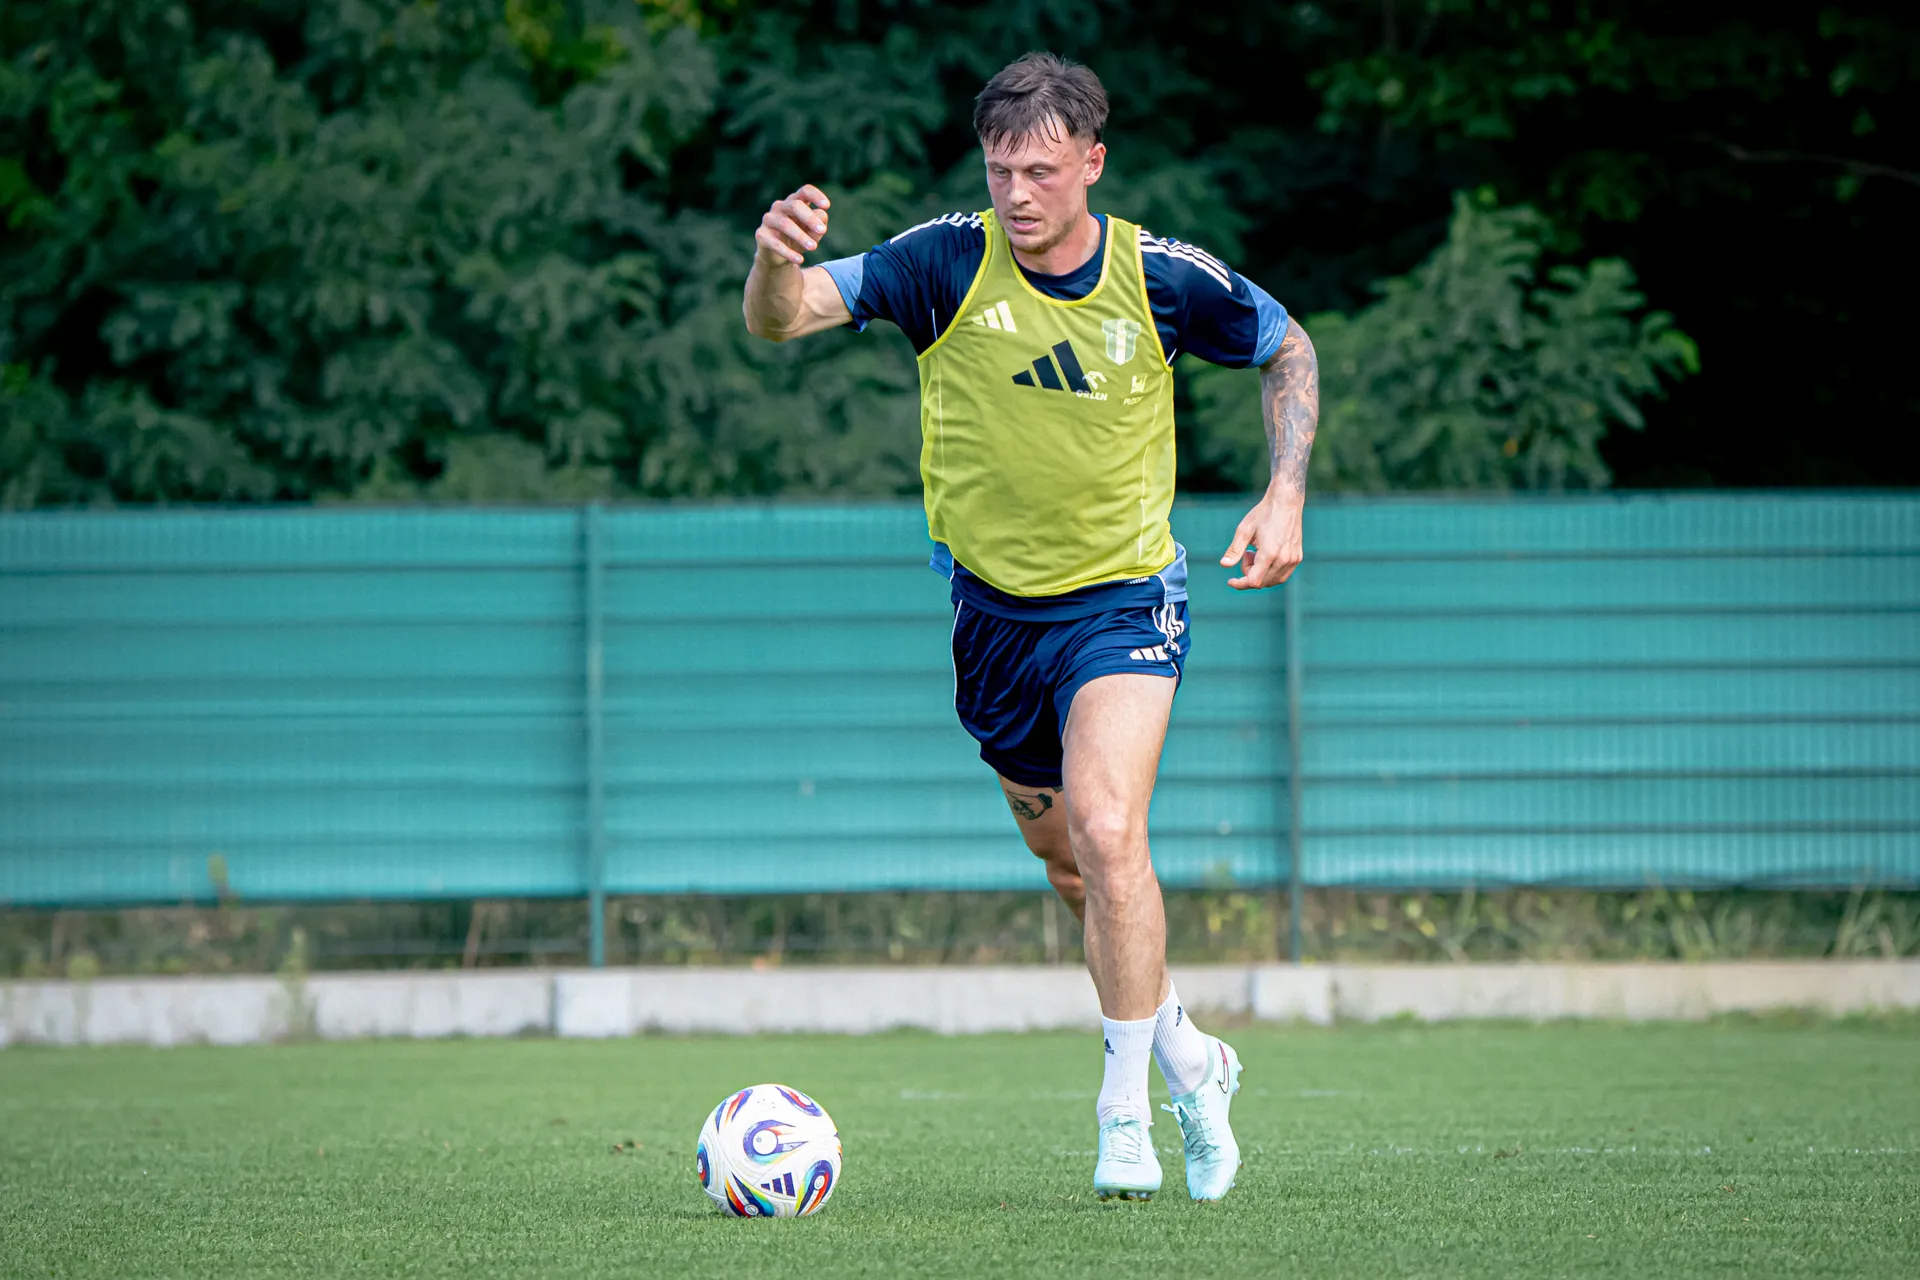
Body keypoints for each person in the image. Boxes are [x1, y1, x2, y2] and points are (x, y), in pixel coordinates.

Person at [742, 51, 1318, 1202]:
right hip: (993, 619)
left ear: (1092, 163)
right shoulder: (941, 261)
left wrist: (1285, 490)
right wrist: (771, 261)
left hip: (1123, 602)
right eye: (1001, 169)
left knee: (1109, 829)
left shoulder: (1159, 276)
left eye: (1042, 171)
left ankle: (1128, 1116)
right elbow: (785, 318)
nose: (1017, 192)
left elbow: (1286, 344)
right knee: (1075, 867)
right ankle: (1190, 1054)